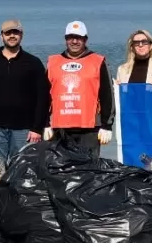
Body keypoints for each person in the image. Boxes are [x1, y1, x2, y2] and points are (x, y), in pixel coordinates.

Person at [0, 19, 49, 164]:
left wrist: (37, 128)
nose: (12, 36)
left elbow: (43, 97)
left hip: (24, 128)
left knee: (22, 168)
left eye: (15, 32)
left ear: (21, 35)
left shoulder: (33, 63)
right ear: (1, 36)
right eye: (8, 33)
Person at [45, 21, 114, 157]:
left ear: (85, 39)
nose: (75, 41)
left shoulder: (98, 61)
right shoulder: (53, 62)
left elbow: (107, 95)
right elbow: (44, 96)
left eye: (79, 37)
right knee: (60, 170)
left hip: (90, 128)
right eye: (71, 37)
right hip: (60, 127)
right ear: (65, 39)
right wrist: (45, 123)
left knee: (89, 169)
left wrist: (107, 126)